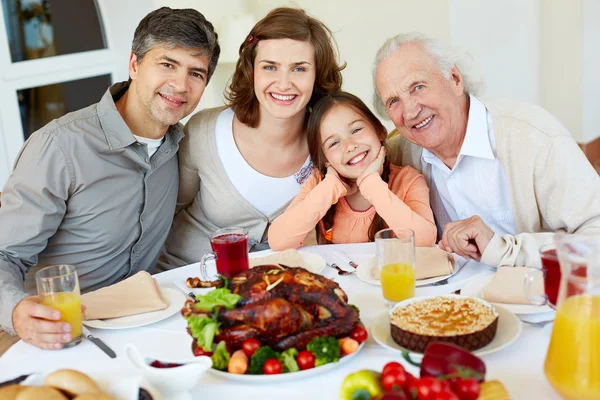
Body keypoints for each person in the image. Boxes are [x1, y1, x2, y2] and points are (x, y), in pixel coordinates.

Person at [0, 7, 220, 351]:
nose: (180, 85)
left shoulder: (185, 147)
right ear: (134, 64)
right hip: (45, 332)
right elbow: (4, 254)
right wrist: (15, 311)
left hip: (137, 326)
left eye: (196, 73)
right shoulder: (60, 147)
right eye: (167, 64)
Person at [373, 32, 600, 267]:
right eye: (393, 101)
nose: (409, 112)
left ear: (455, 79)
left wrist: (503, 249)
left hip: (536, 297)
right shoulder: (400, 154)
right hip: (450, 301)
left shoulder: (533, 137)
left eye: (418, 87)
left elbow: (595, 237)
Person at [160, 7, 344, 268]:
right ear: (252, 71)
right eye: (270, 67)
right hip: (188, 282)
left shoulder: (329, 145)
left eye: (299, 69)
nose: (283, 83)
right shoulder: (204, 131)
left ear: (317, 76)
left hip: (272, 291)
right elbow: (164, 214)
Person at [268, 91, 436, 249]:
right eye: (334, 143)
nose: (350, 146)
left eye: (356, 130)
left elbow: (425, 241)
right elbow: (278, 241)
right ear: (325, 159)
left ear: (379, 131)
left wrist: (372, 185)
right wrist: (330, 188)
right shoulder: (320, 184)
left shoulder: (408, 180)